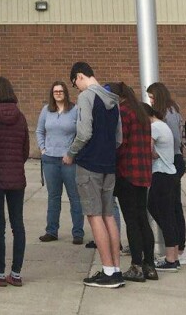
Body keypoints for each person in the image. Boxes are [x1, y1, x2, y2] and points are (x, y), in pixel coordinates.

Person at [65, 62, 123, 289]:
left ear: (79, 76)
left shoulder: (87, 97)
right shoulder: (112, 100)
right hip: (109, 164)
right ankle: (116, 269)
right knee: (109, 215)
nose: (77, 89)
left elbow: (84, 132)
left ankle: (107, 270)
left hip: (90, 164)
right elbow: (118, 138)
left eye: (75, 84)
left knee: (94, 215)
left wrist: (71, 153)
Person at [0, 76, 29, 288]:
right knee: (17, 224)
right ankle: (17, 273)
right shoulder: (20, 117)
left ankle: (0, 274)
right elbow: (25, 150)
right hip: (17, 178)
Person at [110, 82, 157, 282]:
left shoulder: (122, 112)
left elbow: (120, 143)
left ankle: (136, 266)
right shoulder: (141, 113)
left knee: (131, 221)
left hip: (126, 172)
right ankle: (150, 265)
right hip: (143, 173)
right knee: (142, 219)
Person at [36, 80, 84, 244]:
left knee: (74, 197)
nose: (58, 93)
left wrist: (72, 152)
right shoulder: (46, 110)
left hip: (69, 161)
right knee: (53, 197)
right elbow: (39, 131)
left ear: (65, 93)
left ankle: (78, 233)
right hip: (50, 160)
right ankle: (51, 231)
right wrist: (42, 149)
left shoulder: (75, 110)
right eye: (55, 91)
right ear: (52, 93)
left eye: (61, 91)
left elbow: (80, 134)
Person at [147, 82, 186, 264]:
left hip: (172, 160)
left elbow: (174, 139)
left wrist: (163, 155)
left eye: (152, 97)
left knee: (172, 207)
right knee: (170, 206)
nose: (150, 100)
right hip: (169, 160)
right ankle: (177, 247)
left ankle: (180, 248)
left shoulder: (169, 113)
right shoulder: (169, 111)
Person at [147, 101, 180, 272]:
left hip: (161, 174)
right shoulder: (163, 125)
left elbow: (149, 150)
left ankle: (171, 259)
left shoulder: (154, 128)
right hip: (169, 173)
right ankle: (173, 254)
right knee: (165, 214)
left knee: (162, 214)